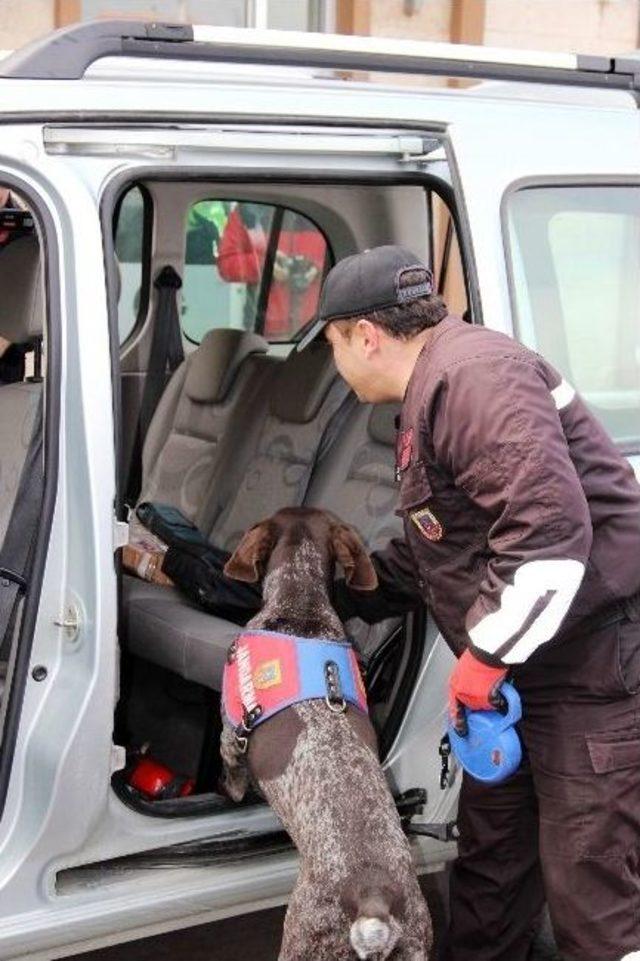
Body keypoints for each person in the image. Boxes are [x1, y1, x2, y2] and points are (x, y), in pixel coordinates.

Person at [300, 244, 640, 961]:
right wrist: (346, 586)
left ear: (365, 336)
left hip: (595, 670)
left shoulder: (475, 378)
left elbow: (548, 540)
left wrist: (483, 658)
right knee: (491, 875)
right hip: (529, 672)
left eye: (332, 344)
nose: (336, 364)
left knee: (592, 895)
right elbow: (448, 544)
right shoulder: (434, 388)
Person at [217, 203, 325, 337]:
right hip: (263, 330)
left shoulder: (328, 206)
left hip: (318, 330)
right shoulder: (248, 210)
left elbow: (348, 254)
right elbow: (226, 265)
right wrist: (264, 265)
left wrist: (320, 267)